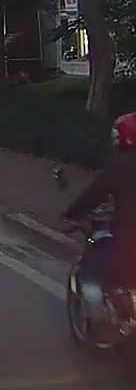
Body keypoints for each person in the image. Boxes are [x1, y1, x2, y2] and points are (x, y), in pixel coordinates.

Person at [61, 112, 136, 317]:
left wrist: (71, 215)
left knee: (92, 268)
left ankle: (99, 321)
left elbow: (93, 196)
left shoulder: (120, 166)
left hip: (127, 236)